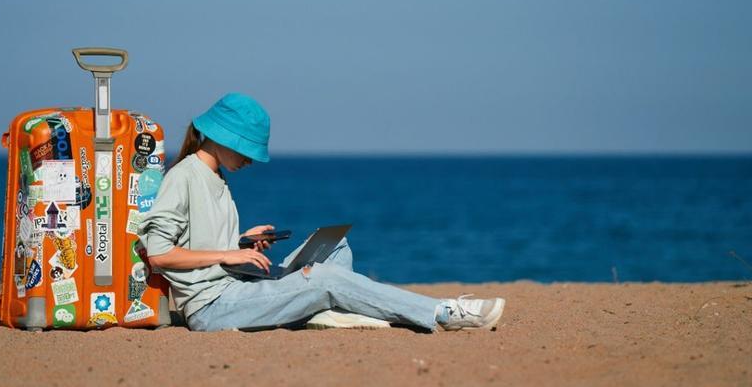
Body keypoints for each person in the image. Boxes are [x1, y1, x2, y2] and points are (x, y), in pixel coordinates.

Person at [137, 93, 505, 332]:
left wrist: (242, 241)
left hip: (239, 284)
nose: (249, 159)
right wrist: (228, 253)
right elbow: (160, 253)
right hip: (214, 306)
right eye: (246, 150)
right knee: (325, 280)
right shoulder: (184, 176)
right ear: (222, 138)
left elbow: (197, 240)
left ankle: (318, 312)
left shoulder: (215, 176)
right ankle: (443, 313)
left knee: (335, 247)